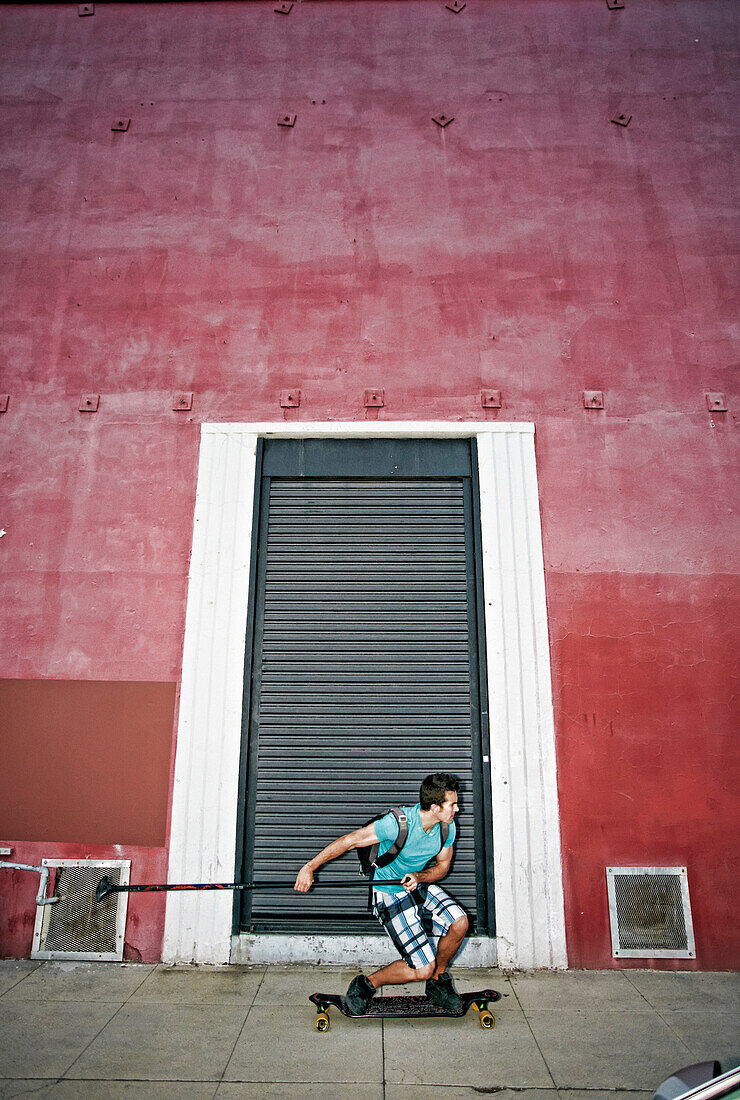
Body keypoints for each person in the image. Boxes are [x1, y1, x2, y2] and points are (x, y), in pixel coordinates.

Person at [294, 772, 468, 1015]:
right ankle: (366, 985)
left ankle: (438, 983)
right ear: (434, 807)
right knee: (422, 969)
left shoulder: (446, 828)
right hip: (389, 891)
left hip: (418, 883)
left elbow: (442, 867)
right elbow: (350, 841)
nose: (457, 809)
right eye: (453, 805)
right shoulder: (397, 823)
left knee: (460, 923)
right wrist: (309, 867)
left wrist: (419, 877)